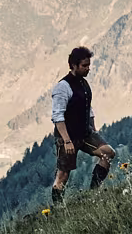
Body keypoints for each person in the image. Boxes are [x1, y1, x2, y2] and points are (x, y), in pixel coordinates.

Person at [49, 46, 115, 204]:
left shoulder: (84, 84)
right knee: (63, 175)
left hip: (85, 133)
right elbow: (57, 116)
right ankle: (58, 209)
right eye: (84, 66)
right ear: (73, 65)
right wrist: (66, 141)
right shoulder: (62, 87)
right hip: (68, 136)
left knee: (108, 154)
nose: (88, 69)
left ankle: (93, 193)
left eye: (88, 65)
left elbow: (88, 107)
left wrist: (93, 128)